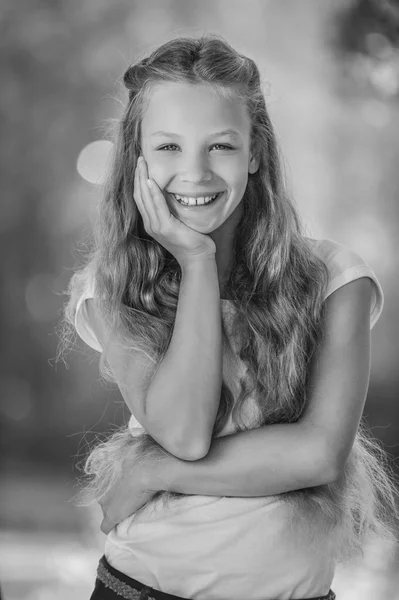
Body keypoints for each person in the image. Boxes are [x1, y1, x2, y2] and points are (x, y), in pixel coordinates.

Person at [61, 34, 399, 600]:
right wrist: (197, 263)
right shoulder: (112, 285)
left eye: (220, 146)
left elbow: (318, 454)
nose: (195, 173)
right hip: (140, 588)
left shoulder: (336, 277)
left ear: (255, 151)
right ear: (136, 156)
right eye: (168, 148)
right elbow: (187, 434)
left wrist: (153, 471)